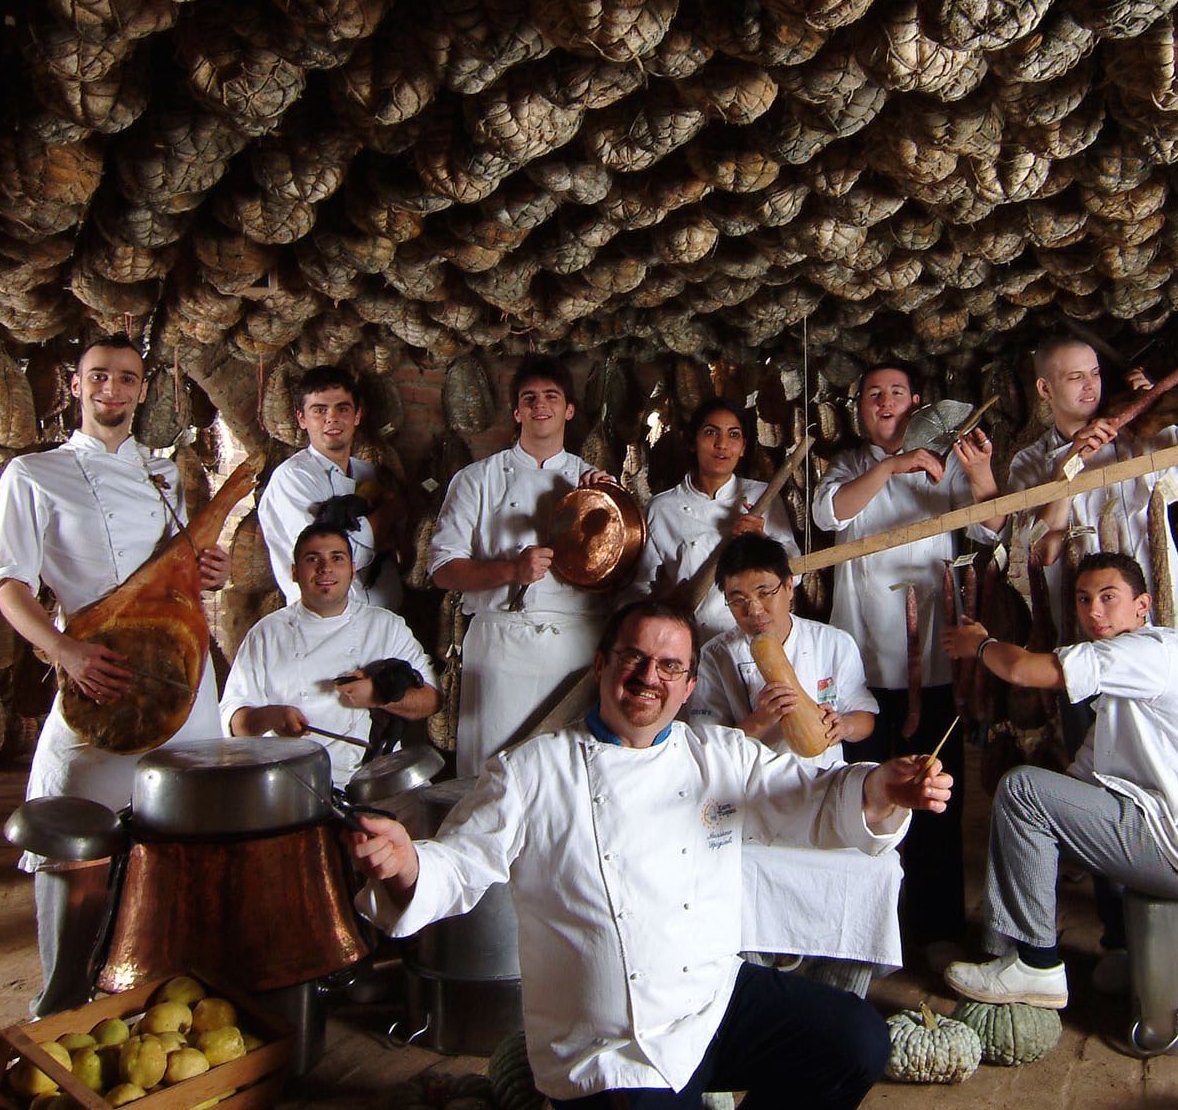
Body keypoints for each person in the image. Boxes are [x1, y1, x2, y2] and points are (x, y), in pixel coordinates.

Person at [348, 599, 953, 1110]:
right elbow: (458, 865)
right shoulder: (531, 770)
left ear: (689, 686)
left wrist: (882, 786)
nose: (648, 678)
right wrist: (408, 864)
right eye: (633, 659)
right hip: (612, 1045)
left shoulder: (714, 754)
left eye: (669, 668)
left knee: (856, 1039)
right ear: (601, 666)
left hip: (711, 1000)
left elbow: (815, 795)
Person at [0, 333, 232, 1015]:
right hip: (101, 679)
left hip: (185, 687)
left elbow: (177, 576)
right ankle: (62, 1002)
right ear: (75, 385)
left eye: (126, 378)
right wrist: (65, 651)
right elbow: (7, 585)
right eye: (99, 376)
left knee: (174, 847)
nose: (112, 389)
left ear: (143, 389)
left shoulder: (163, 474)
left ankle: (152, 1001)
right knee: (79, 844)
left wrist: (211, 572)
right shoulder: (34, 475)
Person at [939, 553, 1178, 1008]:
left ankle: (1037, 965)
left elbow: (1022, 671)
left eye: (1109, 598)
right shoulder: (1117, 693)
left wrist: (983, 644)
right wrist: (1041, 836)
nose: (1094, 611)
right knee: (1027, 799)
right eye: (1084, 599)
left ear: (1142, 605)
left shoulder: (1152, 652)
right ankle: (1005, 953)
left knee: (1021, 789)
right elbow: (1081, 781)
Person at [811, 360, 1003, 960]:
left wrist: (981, 472)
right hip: (863, 665)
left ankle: (939, 928)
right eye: (874, 393)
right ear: (860, 406)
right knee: (866, 796)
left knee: (934, 793)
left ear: (916, 401)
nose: (885, 401)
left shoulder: (945, 463)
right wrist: (891, 466)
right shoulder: (845, 465)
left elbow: (994, 528)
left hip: (933, 657)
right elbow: (830, 514)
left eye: (897, 391)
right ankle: (868, 934)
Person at [687, 534, 899, 996]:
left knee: (870, 876)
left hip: (826, 791)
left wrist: (841, 725)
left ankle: (838, 997)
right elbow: (707, 748)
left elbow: (866, 717)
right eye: (739, 601)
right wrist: (759, 720)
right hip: (751, 804)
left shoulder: (832, 642)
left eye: (765, 593)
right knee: (744, 891)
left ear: (789, 587)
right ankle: (761, 994)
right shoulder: (715, 655)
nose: (754, 611)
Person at [428, 355, 617, 777]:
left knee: (565, 773)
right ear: (516, 411)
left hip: (574, 649)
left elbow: (621, 572)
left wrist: (605, 509)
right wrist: (510, 571)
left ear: (569, 409)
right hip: (500, 647)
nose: (539, 406)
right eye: (528, 398)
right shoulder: (477, 479)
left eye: (551, 396)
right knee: (494, 773)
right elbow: (442, 568)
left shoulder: (596, 484)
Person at [1009, 332, 1178, 646]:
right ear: (1044, 388)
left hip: (1161, 623)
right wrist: (1069, 464)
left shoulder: (1144, 436)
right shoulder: (1029, 463)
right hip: (1087, 633)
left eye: (1095, 374)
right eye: (1076, 377)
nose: (1090, 386)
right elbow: (1044, 552)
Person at [220, 524, 438, 787]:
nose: (325, 569)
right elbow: (235, 723)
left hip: (371, 778)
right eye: (313, 559)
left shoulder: (385, 626)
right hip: (289, 782)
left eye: (337, 558)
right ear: (294, 572)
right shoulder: (266, 633)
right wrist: (273, 716)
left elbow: (431, 699)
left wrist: (378, 695)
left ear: (352, 569)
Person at [633, 398, 800, 641]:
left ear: (743, 446)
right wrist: (662, 602)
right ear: (692, 442)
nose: (722, 444)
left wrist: (762, 542)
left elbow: (798, 572)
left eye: (734, 435)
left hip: (757, 636)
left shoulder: (764, 496)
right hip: (695, 640)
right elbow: (638, 587)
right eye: (711, 433)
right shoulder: (662, 508)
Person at [255, 365, 403, 612]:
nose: (332, 418)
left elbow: (399, 546)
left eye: (342, 408)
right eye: (319, 410)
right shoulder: (293, 478)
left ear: (357, 415)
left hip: (384, 621)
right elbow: (329, 559)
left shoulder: (368, 472)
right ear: (302, 419)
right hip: (326, 623)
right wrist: (388, 513)